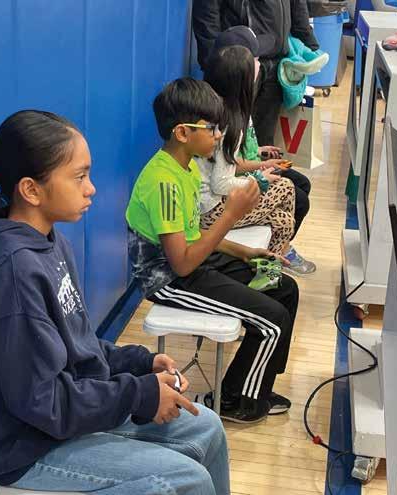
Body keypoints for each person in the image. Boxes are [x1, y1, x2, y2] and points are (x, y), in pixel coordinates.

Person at [0, 110, 229, 495]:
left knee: (206, 427)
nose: (92, 189)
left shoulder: (51, 243)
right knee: (183, 480)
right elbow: (41, 401)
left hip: (59, 418)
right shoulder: (12, 273)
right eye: (79, 177)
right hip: (23, 447)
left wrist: (139, 362)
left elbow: (76, 345)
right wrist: (140, 395)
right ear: (31, 190)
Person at [126, 78, 300, 424]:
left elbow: (195, 234)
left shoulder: (186, 166)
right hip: (168, 279)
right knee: (272, 321)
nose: (219, 135)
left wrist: (245, 252)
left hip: (191, 261)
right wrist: (231, 215)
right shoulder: (164, 182)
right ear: (182, 132)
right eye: (212, 128)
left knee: (285, 289)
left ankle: (257, 384)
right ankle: (236, 401)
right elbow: (182, 264)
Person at [199, 37, 316, 274]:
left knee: (284, 220)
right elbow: (221, 183)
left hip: (212, 205)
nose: (259, 64)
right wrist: (259, 180)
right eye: (253, 62)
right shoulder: (229, 123)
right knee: (286, 187)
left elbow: (228, 165)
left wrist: (260, 165)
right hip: (210, 212)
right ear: (241, 80)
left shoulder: (223, 110)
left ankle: (269, 271)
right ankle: (273, 266)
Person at [192, 0, 319, 145]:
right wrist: (216, 63)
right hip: (240, 65)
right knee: (228, 136)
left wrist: (310, 45)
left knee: (264, 140)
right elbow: (206, 14)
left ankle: (257, 159)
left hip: (275, 63)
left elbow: (297, 5)